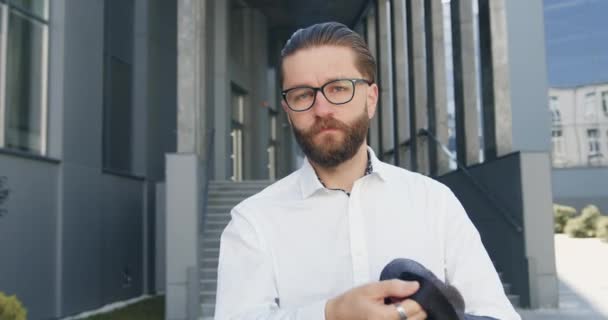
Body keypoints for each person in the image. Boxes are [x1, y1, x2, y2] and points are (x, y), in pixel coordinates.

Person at [214, 22, 521, 320]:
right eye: (303, 95)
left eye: (338, 88)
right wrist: (330, 315)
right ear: (288, 110)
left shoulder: (435, 202)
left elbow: (496, 314)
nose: (321, 109)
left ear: (371, 99)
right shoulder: (252, 222)